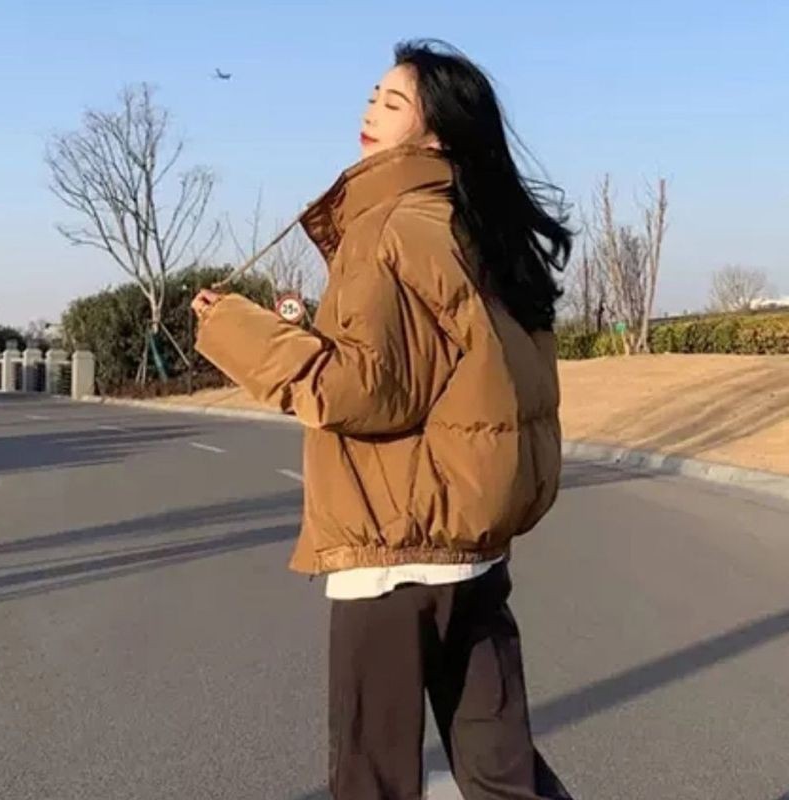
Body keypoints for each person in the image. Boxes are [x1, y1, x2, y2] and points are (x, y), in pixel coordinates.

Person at [192, 39, 573, 800]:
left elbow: (362, 388)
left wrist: (233, 328)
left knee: (372, 781)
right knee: (505, 779)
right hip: (472, 553)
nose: (371, 111)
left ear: (434, 138)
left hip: (391, 551)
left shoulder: (388, 227)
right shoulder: (477, 229)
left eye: (393, 103)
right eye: (374, 95)